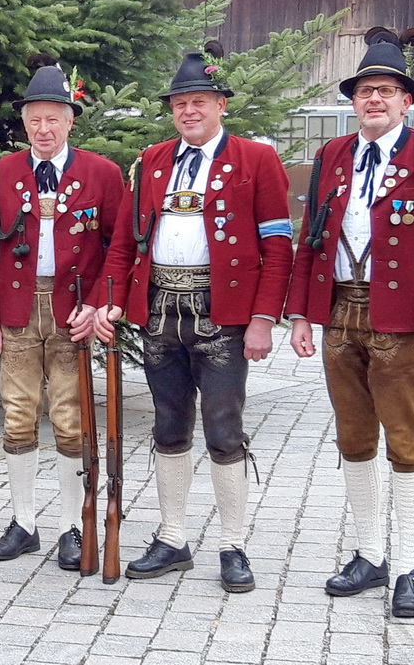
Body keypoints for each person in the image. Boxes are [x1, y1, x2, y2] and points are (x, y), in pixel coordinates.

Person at [285, 28, 414, 619]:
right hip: (340, 314)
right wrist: (299, 313)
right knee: (354, 439)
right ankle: (370, 555)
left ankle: (410, 567)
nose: (375, 100)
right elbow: (311, 240)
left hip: (402, 321)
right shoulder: (331, 157)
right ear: (354, 99)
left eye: (387, 91)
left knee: (407, 442)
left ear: (406, 101)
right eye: (366, 90)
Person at [98, 43, 292, 593]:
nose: (189, 111)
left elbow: (278, 247)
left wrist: (263, 319)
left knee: (225, 432)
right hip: (160, 311)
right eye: (181, 103)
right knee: (168, 426)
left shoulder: (256, 160)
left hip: (223, 315)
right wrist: (113, 299)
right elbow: (124, 242)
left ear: (220, 105)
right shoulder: (152, 160)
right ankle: (173, 536)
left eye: (200, 101)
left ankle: (233, 545)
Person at [0, 61, 127, 569]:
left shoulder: (101, 174)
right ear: (24, 123)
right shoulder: (4, 172)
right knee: (17, 417)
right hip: (17, 310)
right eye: (34, 119)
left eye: (53, 119)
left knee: (68, 419)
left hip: (72, 310)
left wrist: (100, 302)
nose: (43, 129)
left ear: (69, 122)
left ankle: (68, 525)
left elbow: (116, 246)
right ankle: (23, 522)